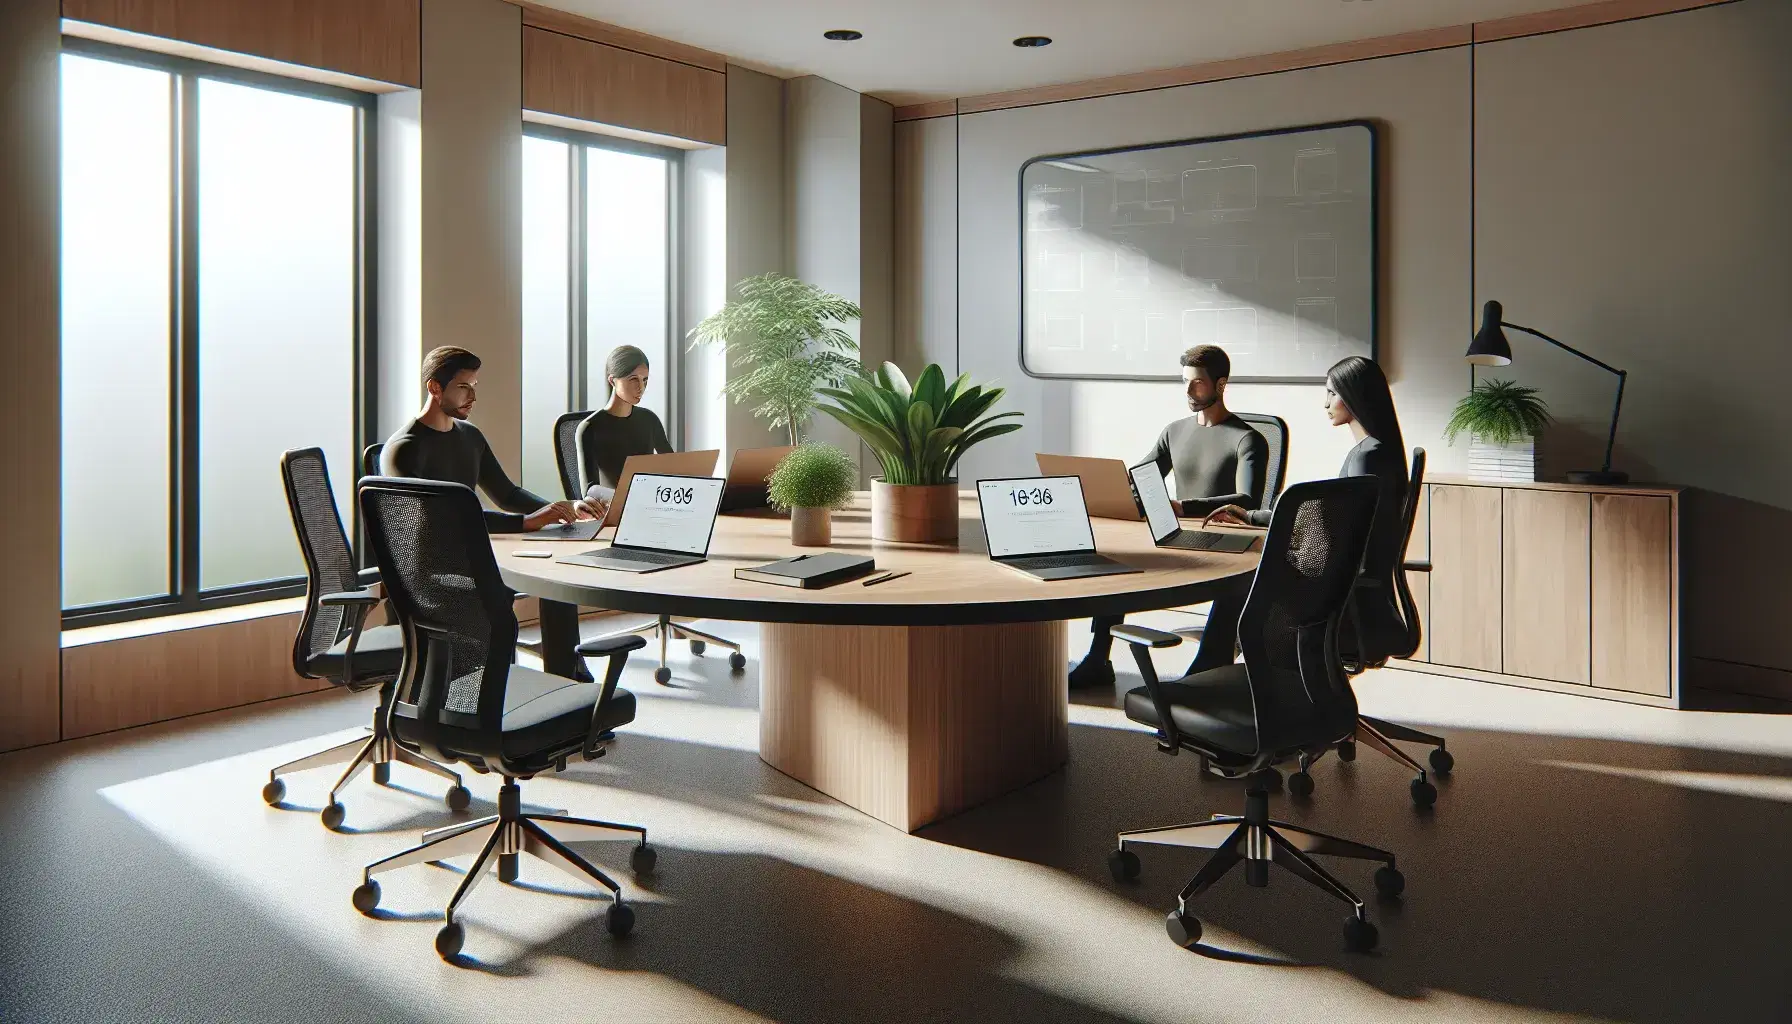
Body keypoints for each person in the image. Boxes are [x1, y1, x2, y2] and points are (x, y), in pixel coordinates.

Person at [1068, 344, 1269, 688]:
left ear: (1220, 385)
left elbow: (1246, 499)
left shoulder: (1248, 440)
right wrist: (1118, 493)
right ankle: (1097, 658)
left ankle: (1207, 669)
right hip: (1176, 532)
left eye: (1198, 384)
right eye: (1186, 383)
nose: (1189, 392)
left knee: (1237, 579)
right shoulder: (1174, 431)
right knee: (1116, 558)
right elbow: (1142, 478)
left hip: (1221, 537)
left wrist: (1183, 506)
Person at [1204, 354, 1411, 665]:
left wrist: (1274, 542)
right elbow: (1329, 519)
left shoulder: (1368, 459)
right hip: (1358, 593)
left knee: (1238, 584)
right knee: (1249, 579)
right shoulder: (1376, 452)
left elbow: (1333, 535)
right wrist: (1251, 517)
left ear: (1356, 395)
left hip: (1342, 599)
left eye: (1332, 393)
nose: (1326, 404)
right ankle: (1220, 674)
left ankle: (1206, 678)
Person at [381, 346, 596, 533]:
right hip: (433, 571)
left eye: (474, 386)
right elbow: (442, 519)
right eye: (463, 387)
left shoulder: (470, 436)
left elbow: (507, 495)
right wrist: (527, 522)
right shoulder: (402, 450)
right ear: (435, 388)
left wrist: (564, 509)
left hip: (473, 554)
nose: (473, 397)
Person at [577, 344, 674, 513]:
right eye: (633, 379)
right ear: (612, 380)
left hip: (650, 509)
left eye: (645, 380)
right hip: (615, 513)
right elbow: (590, 490)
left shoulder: (649, 419)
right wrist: (628, 498)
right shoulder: (589, 427)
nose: (641, 388)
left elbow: (674, 467)